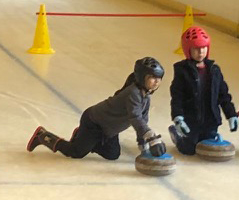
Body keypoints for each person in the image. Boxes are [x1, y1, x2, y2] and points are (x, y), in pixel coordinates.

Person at [27, 58, 168, 161]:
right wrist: (151, 137)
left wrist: (143, 142)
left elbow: (143, 120)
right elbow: (136, 118)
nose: (156, 81)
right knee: (76, 152)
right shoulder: (133, 93)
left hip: (109, 130)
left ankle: (83, 138)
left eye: (159, 78)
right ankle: (43, 136)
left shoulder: (146, 97)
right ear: (141, 77)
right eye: (152, 77)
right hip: (94, 123)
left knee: (112, 155)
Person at [168, 26, 238, 156]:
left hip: (210, 120)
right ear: (188, 50)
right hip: (191, 119)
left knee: (207, 147)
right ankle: (177, 136)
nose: (201, 52)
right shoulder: (182, 71)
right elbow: (177, 96)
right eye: (196, 49)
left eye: (204, 48)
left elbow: (223, 96)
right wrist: (178, 118)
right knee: (189, 150)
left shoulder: (214, 70)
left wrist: (231, 114)